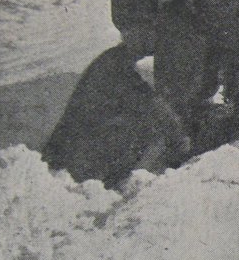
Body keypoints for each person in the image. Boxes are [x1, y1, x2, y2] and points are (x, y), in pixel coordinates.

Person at [42, 29, 191, 189]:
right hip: (82, 166)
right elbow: (157, 109)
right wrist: (182, 145)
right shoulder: (130, 67)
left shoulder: (114, 57)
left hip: (68, 155)